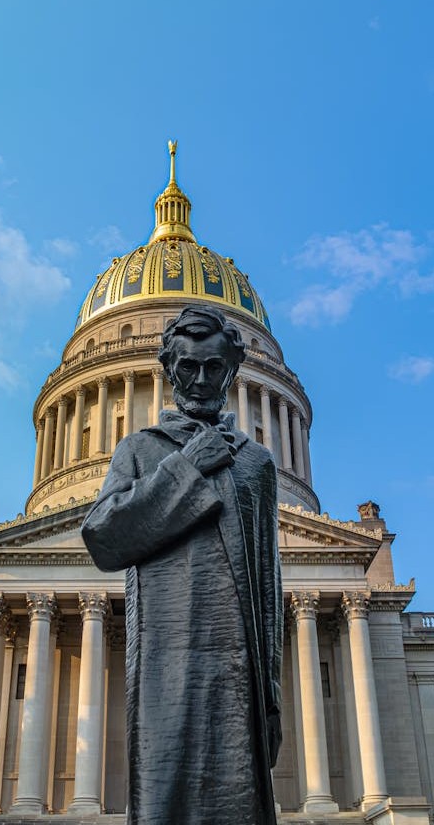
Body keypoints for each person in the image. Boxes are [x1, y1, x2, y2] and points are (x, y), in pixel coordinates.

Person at [82, 304, 282, 825]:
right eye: (187, 367)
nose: (199, 379)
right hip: (167, 659)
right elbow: (104, 538)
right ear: (168, 372)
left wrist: (273, 687)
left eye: (213, 367)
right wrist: (188, 467)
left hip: (239, 668)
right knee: (165, 788)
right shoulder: (141, 450)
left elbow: (267, 584)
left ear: (232, 372)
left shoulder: (256, 463)